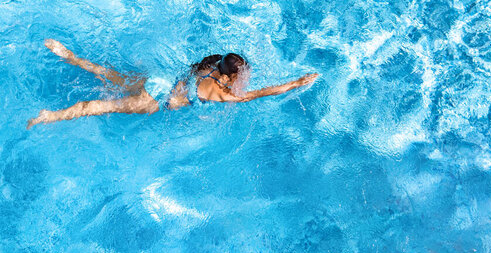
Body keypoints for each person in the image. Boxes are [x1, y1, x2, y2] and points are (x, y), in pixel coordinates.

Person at [27, 39, 319, 129]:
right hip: (155, 101)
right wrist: (298, 82)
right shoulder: (222, 93)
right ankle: (50, 116)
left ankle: (70, 56)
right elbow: (263, 93)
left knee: (106, 73)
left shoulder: (210, 64)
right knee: (100, 105)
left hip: (158, 81)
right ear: (230, 78)